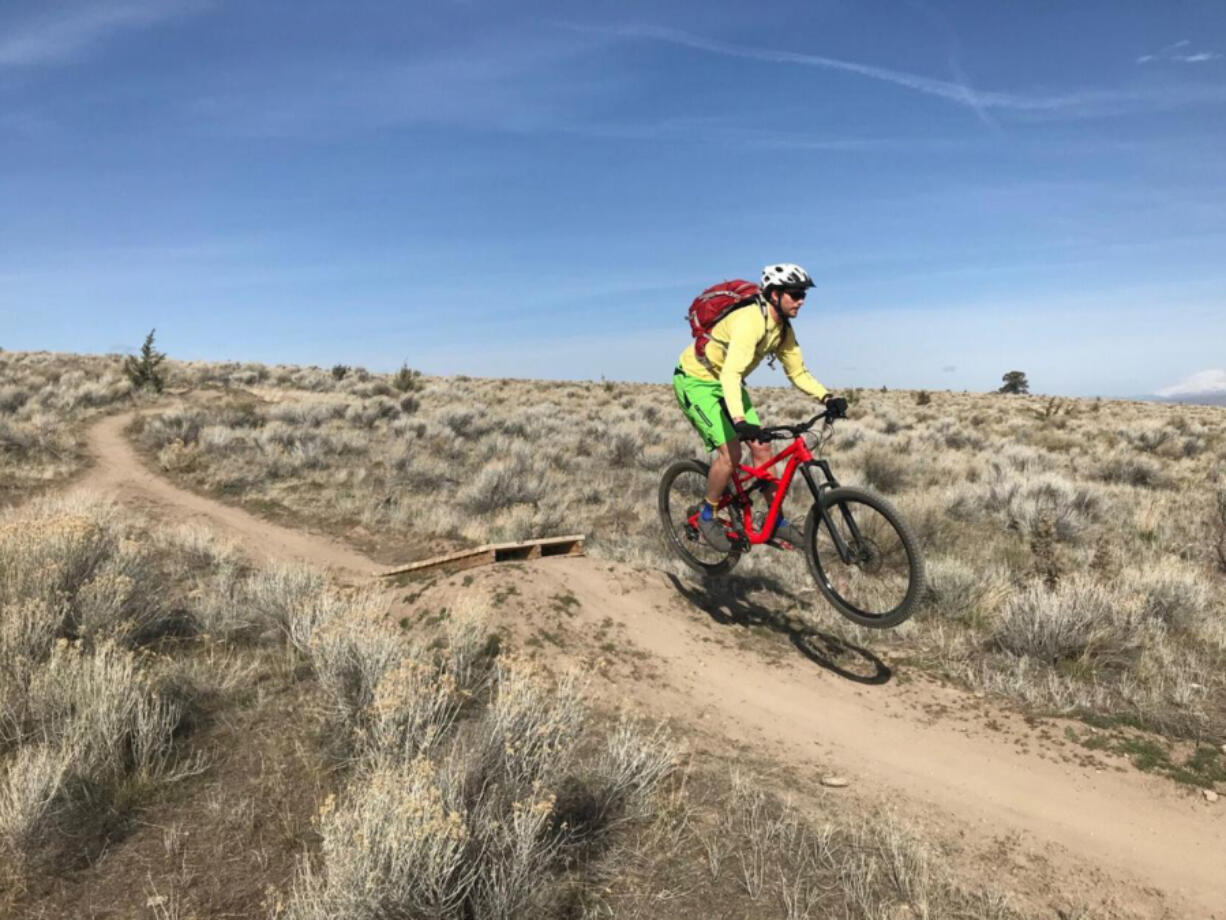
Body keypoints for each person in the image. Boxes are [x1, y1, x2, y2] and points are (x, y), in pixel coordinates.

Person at [672, 263, 847, 551]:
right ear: (775, 294)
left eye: (803, 294)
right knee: (731, 454)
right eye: (795, 294)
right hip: (697, 381)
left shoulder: (782, 330)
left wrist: (826, 397)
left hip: (728, 382)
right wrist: (739, 420)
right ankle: (706, 515)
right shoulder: (750, 320)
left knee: (763, 449)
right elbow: (730, 373)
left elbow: (798, 373)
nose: (801, 300)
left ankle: (775, 521)